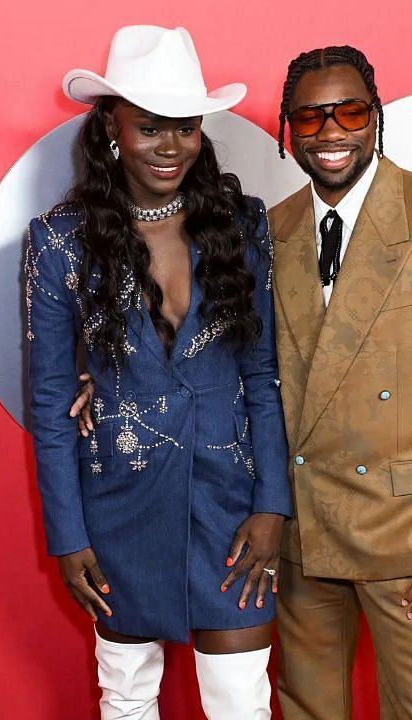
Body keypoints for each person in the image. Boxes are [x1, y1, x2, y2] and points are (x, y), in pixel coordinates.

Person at [25, 27, 290, 718]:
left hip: (232, 509)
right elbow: (53, 401)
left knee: (241, 703)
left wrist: (272, 507)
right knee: (128, 699)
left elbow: (263, 378)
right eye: (149, 128)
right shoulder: (58, 241)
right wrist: (69, 537)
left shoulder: (241, 224)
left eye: (185, 127)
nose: (169, 144)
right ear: (112, 128)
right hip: (119, 506)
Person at [264, 46, 412, 719]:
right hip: (303, 530)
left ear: (376, 118)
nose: (330, 133)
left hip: (402, 528)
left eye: (349, 111)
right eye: (310, 118)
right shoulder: (273, 231)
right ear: (287, 130)